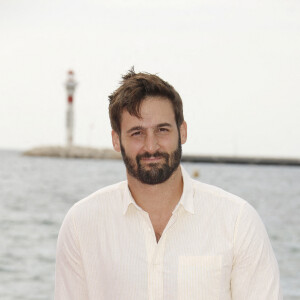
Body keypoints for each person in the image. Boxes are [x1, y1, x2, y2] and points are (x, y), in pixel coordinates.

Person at [55, 69, 282, 299]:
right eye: (137, 133)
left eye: (162, 130)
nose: (151, 146)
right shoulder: (81, 224)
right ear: (116, 140)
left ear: (182, 132)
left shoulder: (237, 223)